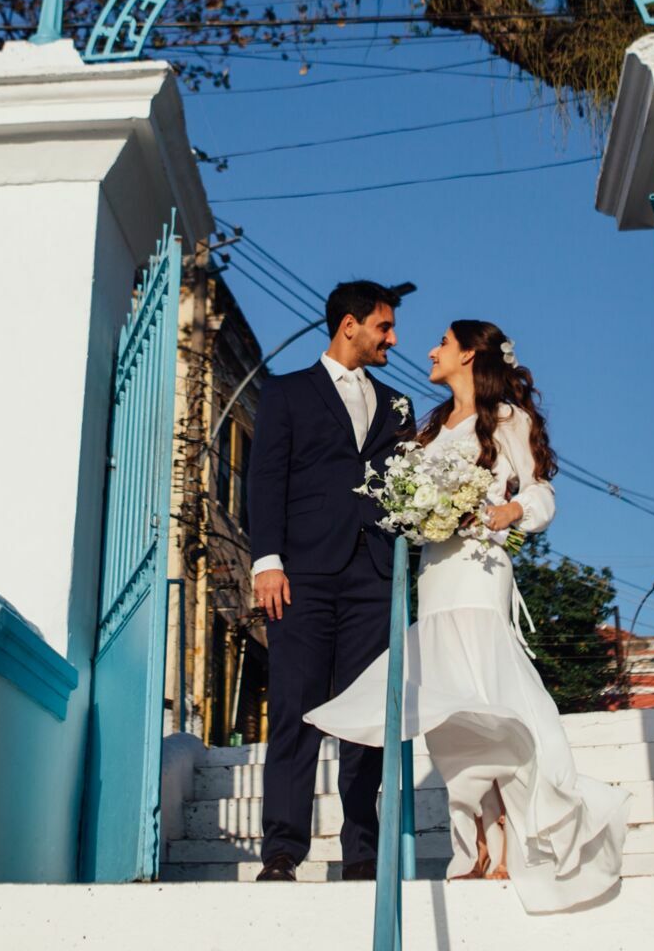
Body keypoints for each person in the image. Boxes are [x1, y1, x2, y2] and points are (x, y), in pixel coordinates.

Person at [305, 319, 628, 913]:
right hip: (435, 577)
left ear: (471, 354)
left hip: (480, 573)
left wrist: (510, 512)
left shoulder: (508, 420)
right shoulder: (430, 429)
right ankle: (473, 842)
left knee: (487, 697)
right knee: (448, 713)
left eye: (443, 344)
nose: (431, 350)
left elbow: (542, 493)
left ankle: (507, 836)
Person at [246, 280, 414, 882]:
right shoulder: (286, 392)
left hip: (374, 573)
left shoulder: (398, 405)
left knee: (367, 718)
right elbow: (265, 478)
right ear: (350, 325)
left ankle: (363, 853)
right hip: (302, 577)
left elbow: (404, 487)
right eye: (384, 327)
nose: (393, 339)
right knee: (295, 709)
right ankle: (283, 851)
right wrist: (266, 560)